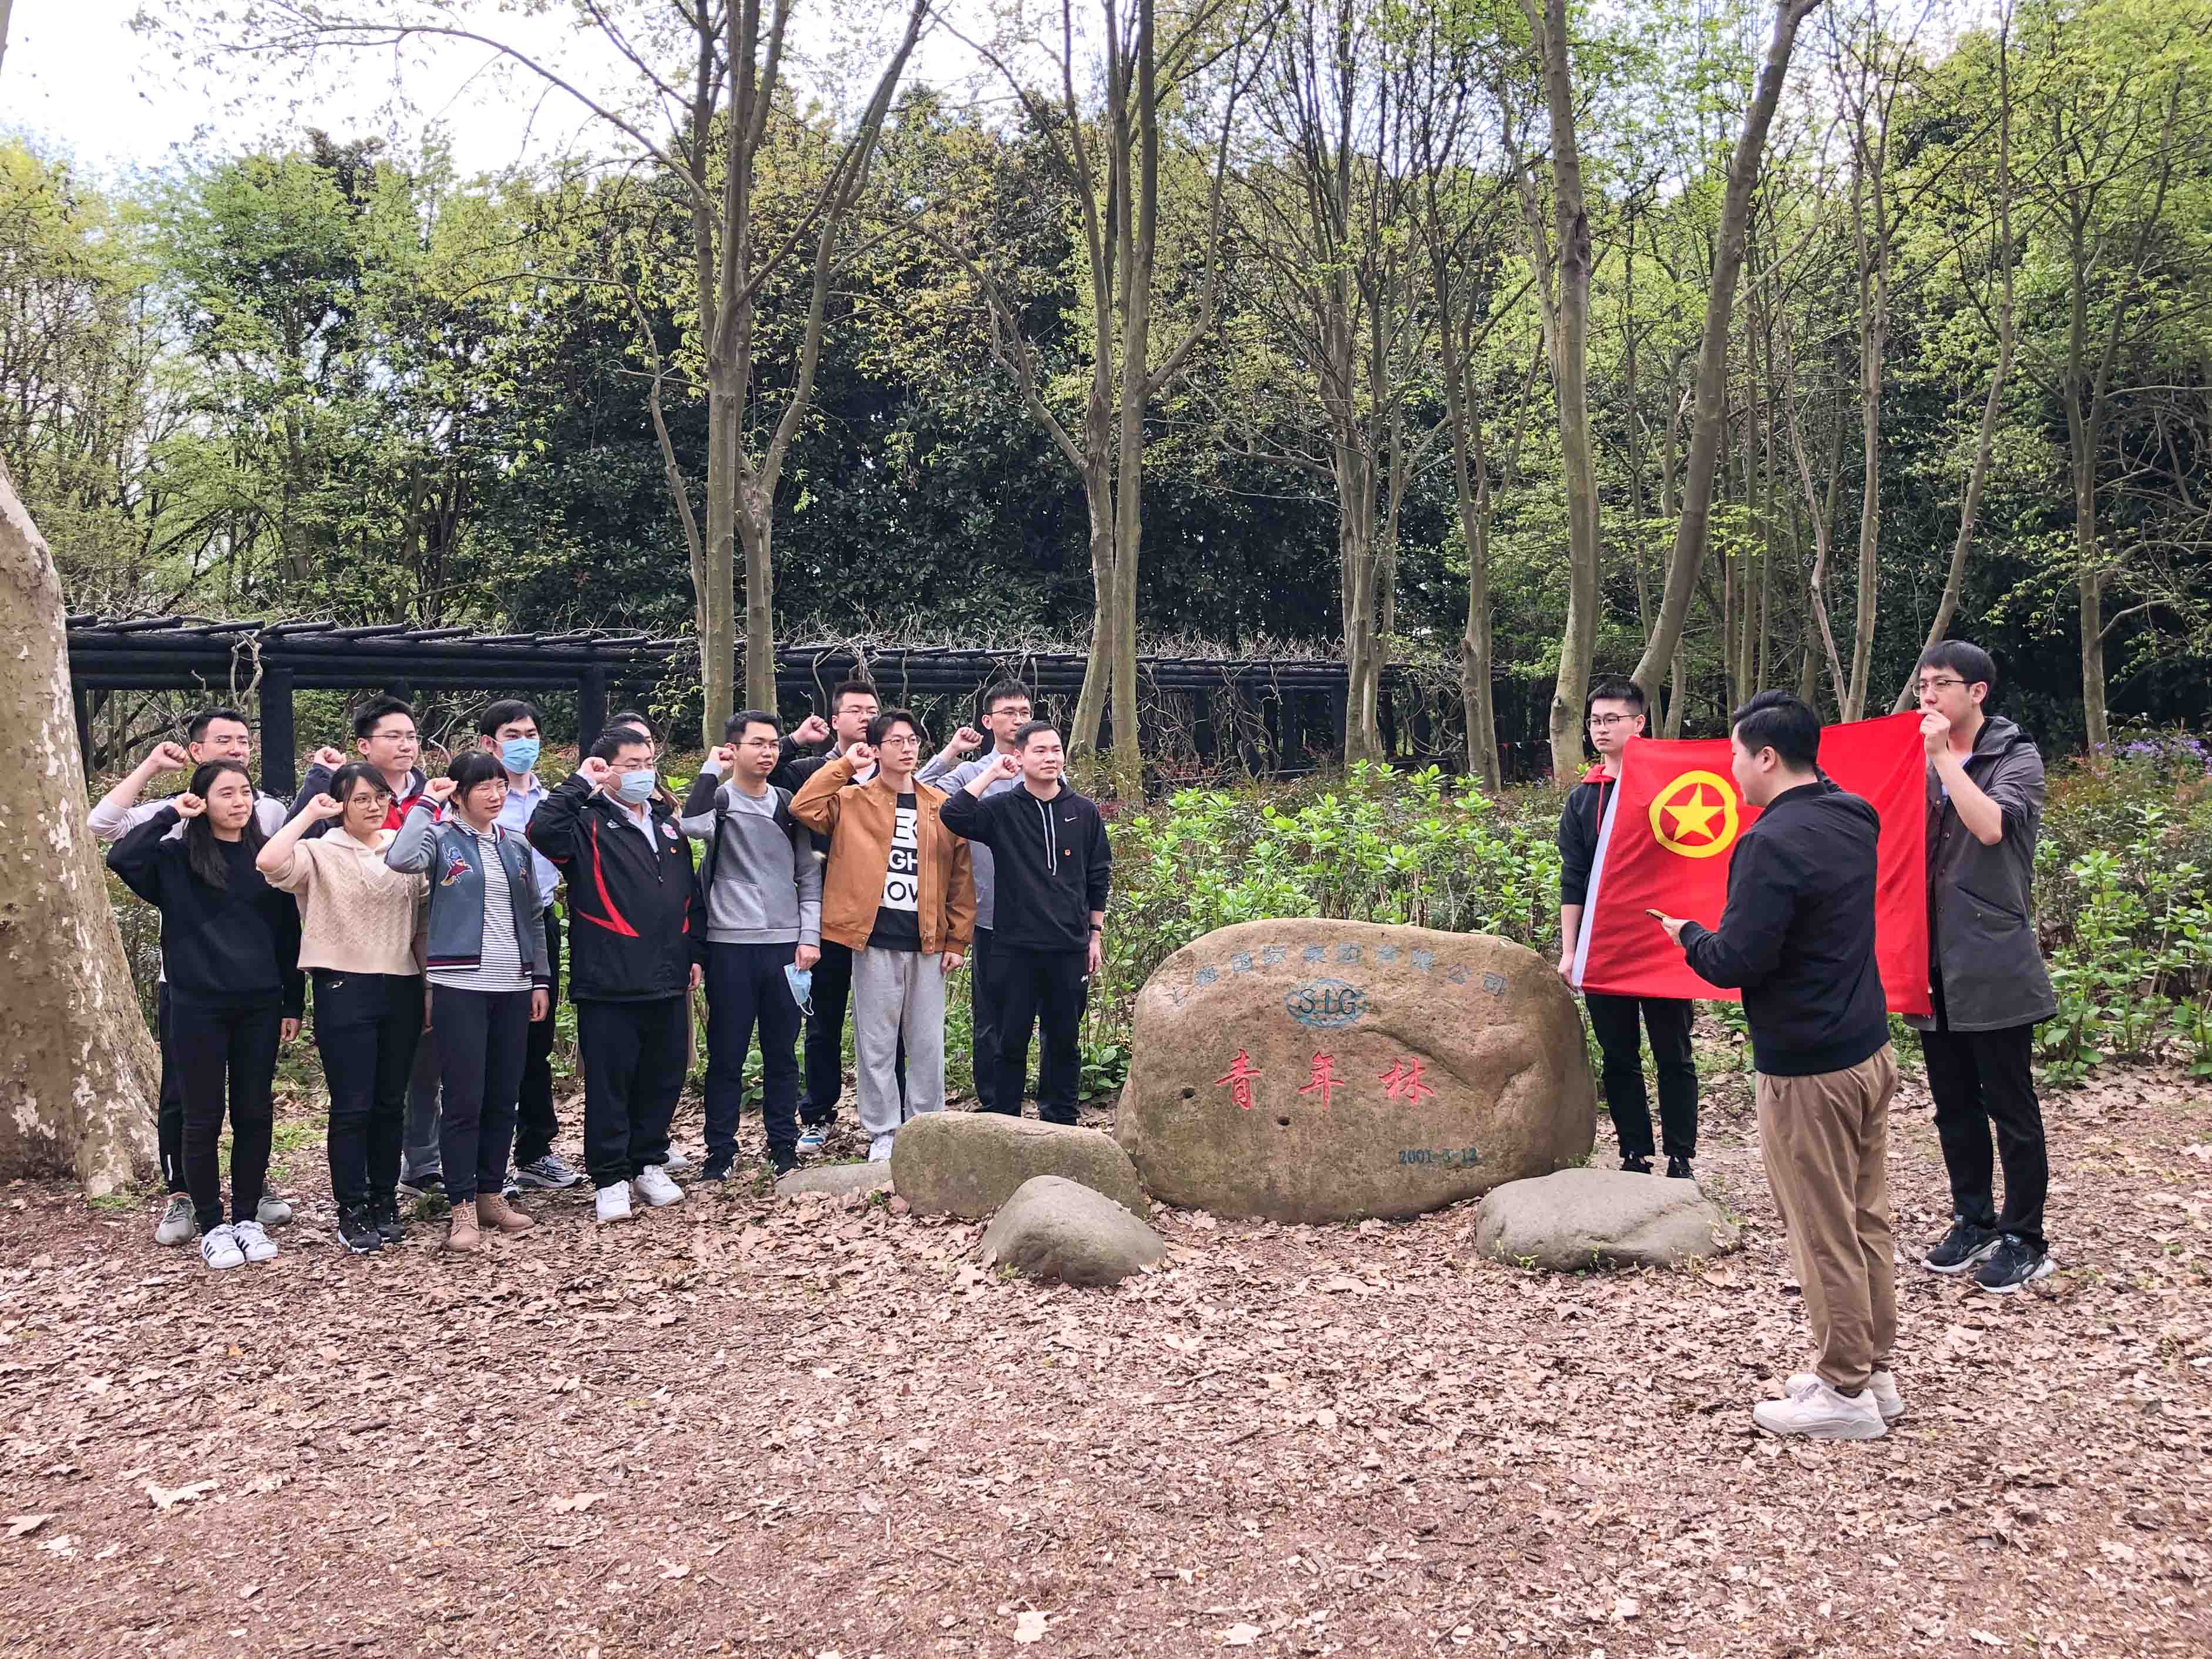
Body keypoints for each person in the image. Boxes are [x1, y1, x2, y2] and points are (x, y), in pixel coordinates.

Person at [1650, 692, 1901, 1442]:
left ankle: (1843, 1389)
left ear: (1765, 756)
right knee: (1865, 1216)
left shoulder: (1768, 842)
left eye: (1734, 754)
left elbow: (1737, 961)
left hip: (1806, 1070)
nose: (1729, 769)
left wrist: (1686, 933)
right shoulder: (1854, 814)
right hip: (1867, 1048)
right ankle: (1871, 1369)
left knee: (1821, 1226)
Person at [89, 711, 295, 1245]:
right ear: (201, 795)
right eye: (226, 792)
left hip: (258, 1001)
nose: (240, 801)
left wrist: (292, 1001)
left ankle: (248, 1213)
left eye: (245, 791)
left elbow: (287, 933)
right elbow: (118, 851)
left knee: (254, 1110)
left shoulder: (266, 852)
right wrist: (170, 812)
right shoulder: (175, 856)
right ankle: (205, 1216)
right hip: (193, 1000)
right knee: (198, 1112)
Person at [1908, 642, 2060, 1294]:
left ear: (1977, 692)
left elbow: (1992, 826)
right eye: (1922, 684)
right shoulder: (1911, 757)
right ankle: (1973, 1218)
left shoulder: (2015, 755)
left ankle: (2025, 1235)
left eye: (1942, 683)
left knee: (2010, 1103)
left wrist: (1944, 757)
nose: (1928, 695)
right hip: (1930, 957)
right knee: (1952, 1104)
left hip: (1993, 956)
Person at [527, 728, 704, 1224]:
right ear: (606, 770)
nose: (643, 772)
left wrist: (694, 951)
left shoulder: (667, 827)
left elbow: (689, 896)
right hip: (609, 978)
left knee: (663, 1075)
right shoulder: (586, 823)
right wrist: (581, 781)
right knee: (611, 1082)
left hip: (668, 974)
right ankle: (610, 1176)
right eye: (631, 764)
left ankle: (648, 1161)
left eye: (649, 761)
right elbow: (542, 829)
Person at [257, 763, 429, 1253]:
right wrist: (310, 813)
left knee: (390, 1103)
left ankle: (384, 1199)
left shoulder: (403, 848)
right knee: (353, 1104)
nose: (373, 806)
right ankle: (351, 1207)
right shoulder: (319, 851)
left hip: (402, 983)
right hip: (343, 985)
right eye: (360, 799)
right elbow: (269, 861)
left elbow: (420, 922)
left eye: (380, 796)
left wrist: (428, 988)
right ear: (341, 804)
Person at [791, 708, 973, 1163]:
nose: (907, 748)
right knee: (875, 1041)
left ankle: (927, 1126)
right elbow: (803, 807)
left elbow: (960, 876)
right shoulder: (852, 800)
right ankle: (884, 1129)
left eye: (913, 740)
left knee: (927, 1043)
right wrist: (845, 765)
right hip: (872, 938)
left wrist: (957, 939)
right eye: (896, 741)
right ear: (875, 748)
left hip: (928, 940)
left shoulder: (939, 804)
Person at [386, 753, 550, 1252]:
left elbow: (534, 915)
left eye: (500, 785)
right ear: (459, 794)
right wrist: (426, 802)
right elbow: (400, 858)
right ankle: (460, 1204)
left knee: (503, 1094)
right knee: (464, 1097)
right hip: (460, 983)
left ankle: (490, 1193)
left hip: (513, 983)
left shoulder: (516, 844)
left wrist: (539, 978)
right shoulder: (441, 838)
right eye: (483, 787)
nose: (496, 795)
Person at [1555, 678, 1700, 1179]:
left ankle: (1681, 1156)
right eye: (1595, 720)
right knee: (1619, 1055)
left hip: (1663, 943)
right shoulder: (1583, 800)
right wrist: (1571, 950)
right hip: (1606, 945)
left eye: (1612, 719)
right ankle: (1634, 1152)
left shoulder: (1671, 790)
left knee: (1674, 1052)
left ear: (1639, 723)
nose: (1601, 728)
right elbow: (1573, 879)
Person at [940, 721, 1109, 1125]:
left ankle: (1061, 1122)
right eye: (1040, 751)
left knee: (1064, 1040)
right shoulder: (1002, 809)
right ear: (1019, 756)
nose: (1051, 758)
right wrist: (992, 773)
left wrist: (1095, 935)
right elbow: (954, 813)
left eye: (1056, 750)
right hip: (1013, 947)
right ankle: (1004, 1121)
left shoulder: (1083, 811)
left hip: (1069, 945)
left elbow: (1098, 874)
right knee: (1009, 1040)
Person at [681, 710, 823, 1178]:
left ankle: (783, 1145)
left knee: (783, 1053)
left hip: (785, 946)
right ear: (734, 748)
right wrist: (710, 768)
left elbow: (808, 874)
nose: (768, 752)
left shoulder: (788, 804)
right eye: (757, 743)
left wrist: (809, 936)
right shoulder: (721, 800)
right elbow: (692, 825)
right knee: (727, 1053)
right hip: (729, 945)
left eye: (773, 744)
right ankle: (720, 1151)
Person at [772, 679, 905, 1150]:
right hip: (827, 916)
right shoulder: (811, 769)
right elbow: (767, 777)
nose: (866, 717)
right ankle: (818, 1113)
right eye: (855, 710)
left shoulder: (892, 774)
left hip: (884, 917)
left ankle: (896, 1116)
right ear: (834, 720)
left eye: (872, 709)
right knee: (823, 1020)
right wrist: (794, 740)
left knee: (889, 1022)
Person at [476, 699, 584, 1192]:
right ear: (489, 743)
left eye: (532, 734)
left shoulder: (551, 798)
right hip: (487, 928)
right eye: (513, 735)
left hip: (541, 921)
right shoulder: (476, 797)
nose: (525, 743)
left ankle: (535, 1151)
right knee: (486, 1048)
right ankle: (485, 1163)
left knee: (535, 1042)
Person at [918, 681, 1035, 1112]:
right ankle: (993, 1106)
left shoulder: (1045, 766)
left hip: (1041, 917)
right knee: (990, 1017)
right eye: (1009, 712)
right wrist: (952, 751)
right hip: (988, 914)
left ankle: (1039, 1104)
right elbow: (917, 787)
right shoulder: (972, 774)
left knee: (1042, 1016)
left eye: (1025, 711)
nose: (1018, 719)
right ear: (988, 721)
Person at [293, 695, 432, 833]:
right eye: (393, 737)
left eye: (411, 737)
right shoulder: (342, 797)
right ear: (364, 746)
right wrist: (321, 776)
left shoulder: (433, 795)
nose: (407, 746)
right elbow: (295, 840)